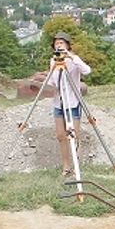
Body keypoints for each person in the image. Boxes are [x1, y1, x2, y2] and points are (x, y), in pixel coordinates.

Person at [46, 32, 92, 176]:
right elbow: (53, 81)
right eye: (56, 43)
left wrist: (71, 57)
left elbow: (87, 71)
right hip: (58, 103)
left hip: (72, 102)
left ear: (67, 45)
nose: (58, 45)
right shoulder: (53, 61)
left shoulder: (74, 60)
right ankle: (66, 166)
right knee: (61, 135)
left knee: (73, 135)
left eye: (61, 42)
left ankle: (77, 165)